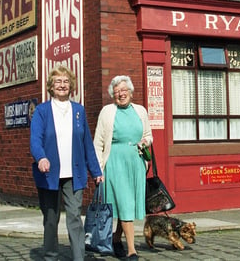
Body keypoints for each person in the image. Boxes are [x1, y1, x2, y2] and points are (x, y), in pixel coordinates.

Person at [30, 65, 103, 261]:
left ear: (71, 86)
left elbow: (87, 143)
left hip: (74, 174)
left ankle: (79, 257)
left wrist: (96, 171)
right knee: (51, 219)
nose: (62, 85)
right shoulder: (42, 111)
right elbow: (35, 140)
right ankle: (51, 256)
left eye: (65, 82)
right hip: (49, 174)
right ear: (51, 86)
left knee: (74, 217)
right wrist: (41, 157)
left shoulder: (78, 110)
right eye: (58, 82)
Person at [94, 75, 152, 261]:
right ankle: (132, 250)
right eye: (117, 92)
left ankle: (116, 240)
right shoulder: (107, 112)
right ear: (113, 95)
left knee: (126, 206)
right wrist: (98, 170)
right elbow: (98, 142)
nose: (121, 94)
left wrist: (145, 141)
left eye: (124, 91)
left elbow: (149, 135)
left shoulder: (141, 111)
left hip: (135, 163)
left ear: (131, 93)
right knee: (125, 204)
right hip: (115, 163)